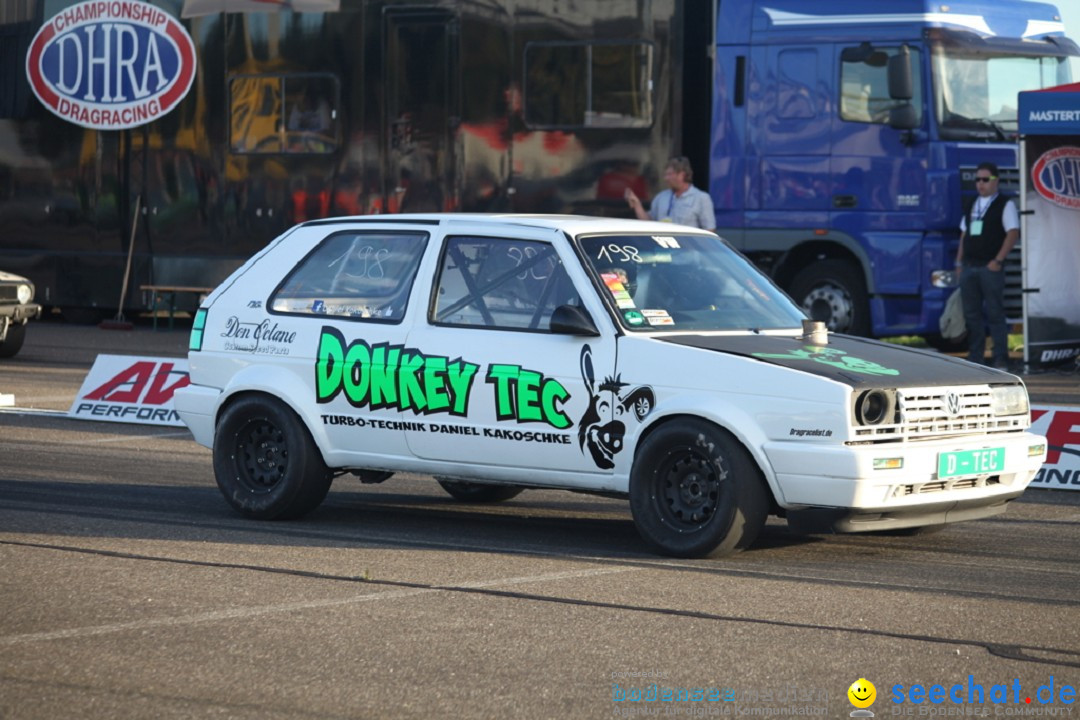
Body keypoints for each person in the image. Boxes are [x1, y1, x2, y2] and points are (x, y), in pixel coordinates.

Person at [956, 162, 1019, 368]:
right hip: (970, 266)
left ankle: (1001, 356)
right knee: (971, 314)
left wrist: (998, 260)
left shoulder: (1004, 203)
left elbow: (1012, 232)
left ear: (996, 181)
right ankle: (976, 356)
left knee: (995, 313)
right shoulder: (972, 203)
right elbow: (964, 234)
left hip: (990, 267)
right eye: (978, 180)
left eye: (985, 179)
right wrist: (959, 262)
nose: (980, 184)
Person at [624, 156, 716, 231]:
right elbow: (648, 222)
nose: (666, 178)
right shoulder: (661, 197)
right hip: (663, 251)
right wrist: (636, 204)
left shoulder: (701, 198)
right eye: (665, 175)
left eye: (669, 174)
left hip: (688, 252)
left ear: (682, 175)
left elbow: (710, 230)